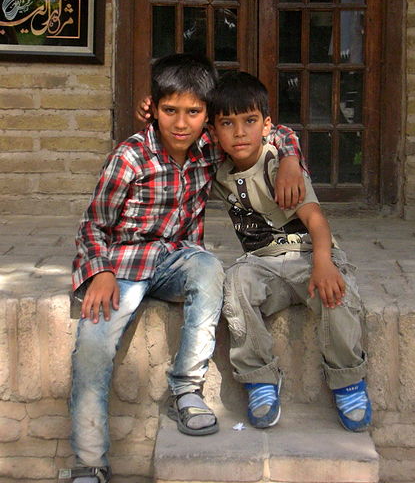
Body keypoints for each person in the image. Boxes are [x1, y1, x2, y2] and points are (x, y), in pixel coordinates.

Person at [63, 54, 305, 483]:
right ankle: (89, 462)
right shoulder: (130, 158)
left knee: (210, 267)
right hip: (122, 267)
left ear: (208, 118)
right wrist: (98, 272)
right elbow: (93, 225)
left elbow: (273, 130)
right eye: (169, 111)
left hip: (177, 261)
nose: (181, 123)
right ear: (152, 109)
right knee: (94, 347)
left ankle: (185, 390)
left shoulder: (208, 149)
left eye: (193, 113)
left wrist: (289, 160)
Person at [208, 71, 372, 432]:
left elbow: (316, 221)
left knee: (338, 296)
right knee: (234, 283)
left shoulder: (278, 165)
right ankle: (260, 378)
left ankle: (348, 380)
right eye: (227, 123)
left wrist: (324, 263)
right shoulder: (218, 170)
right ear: (214, 132)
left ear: (265, 125)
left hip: (309, 256)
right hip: (263, 266)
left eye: (249, 121)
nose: (239, 133)